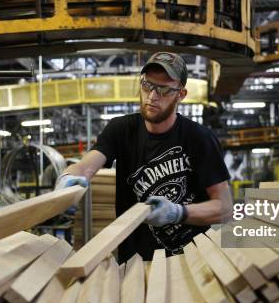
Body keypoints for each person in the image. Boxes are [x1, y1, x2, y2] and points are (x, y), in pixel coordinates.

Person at [55, 52, 233, 262]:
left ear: (181, 94)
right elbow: (87, 165)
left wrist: (178, 212)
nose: (152, 96)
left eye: (164, 89)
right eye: (147, 85)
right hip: (135, 267)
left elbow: (225, 208)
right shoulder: (121, 130)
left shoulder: (199, 138)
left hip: (192, 264)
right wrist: (67, 177)